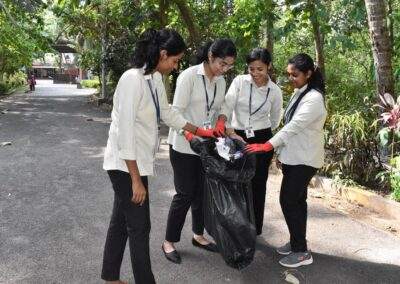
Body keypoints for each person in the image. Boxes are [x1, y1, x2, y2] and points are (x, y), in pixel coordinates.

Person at [101, 28, 215, 284]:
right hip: (124, 165)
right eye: (174, 61)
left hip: (137, 163)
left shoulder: (153, 79)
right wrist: (135, 179)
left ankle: (110, 277)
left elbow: (168, 113)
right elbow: (125, 132)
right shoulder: (132, 79)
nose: (175, 67)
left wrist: (200, 131)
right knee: (140, 227)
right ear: (162, 54)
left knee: (121, 221)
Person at [245, 53, 327, 268]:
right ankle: (297, 242)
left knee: (289, 201)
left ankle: (301, 252)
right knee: (298, 201)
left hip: (305, 159)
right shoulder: (301, 92)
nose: (291, 78)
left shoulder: (314, 98)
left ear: (308, 73)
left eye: (295, 75)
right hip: (295, 157)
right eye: (289, 74)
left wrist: (267, 145)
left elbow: (294, 126)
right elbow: (288, 123)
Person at [162, 39, 237, 264]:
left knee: (202, 193)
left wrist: (223, 122)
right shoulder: (189, 77)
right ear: (211, 56)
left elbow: (220, 108)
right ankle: (168, 241)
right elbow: (175, 114)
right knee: (184, 194)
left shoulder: (221, 81)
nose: (224, 69)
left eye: (229, 66)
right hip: (184, 146)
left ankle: (198, 235)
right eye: (222, 64)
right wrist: (190, 135)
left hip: (207, 146)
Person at [216, 47, 283, 236]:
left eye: (260, 69)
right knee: (234, 182)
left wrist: (261, 130)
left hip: (261, 139)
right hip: (237, 136)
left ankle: (255, 228)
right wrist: (229, 128)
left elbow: (276, 119)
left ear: (268, 67)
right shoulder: (239, 82)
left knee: (258, 184)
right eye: (251, 69)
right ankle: (235, 225)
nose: (255, 73)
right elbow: (227, 106)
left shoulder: (275, 91)